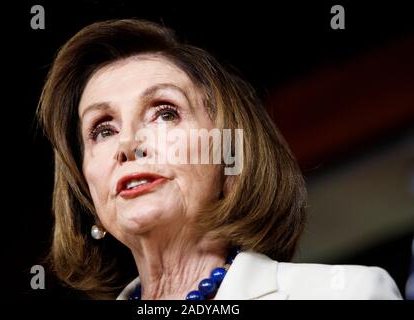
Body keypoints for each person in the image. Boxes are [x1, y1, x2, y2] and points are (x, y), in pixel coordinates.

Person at [37, 19, 402, 300]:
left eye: (165, 113)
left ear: (230, 158)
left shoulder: (344, 293)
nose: (129, 144)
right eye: (102, 129)